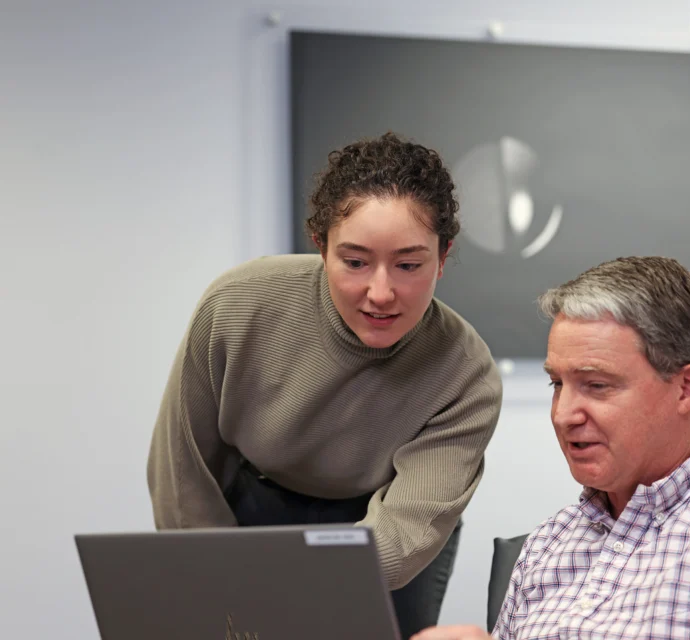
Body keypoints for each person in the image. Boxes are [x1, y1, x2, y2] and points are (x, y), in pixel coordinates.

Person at [146, 132, 503, 639]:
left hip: (388, 528)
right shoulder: (237, 305)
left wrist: (290, 594)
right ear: (321, 247)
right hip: (252, 507)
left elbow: (404, 534)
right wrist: (218, 579)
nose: (381, 293)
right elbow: (182, 473)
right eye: (355, 262)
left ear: (442, 259)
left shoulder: (465, 373)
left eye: (408, 265)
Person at [412, 256, 690, 640]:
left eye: (596, 385)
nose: (563, 416)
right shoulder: (548, 544)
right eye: (557, 384)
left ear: (687, 389)